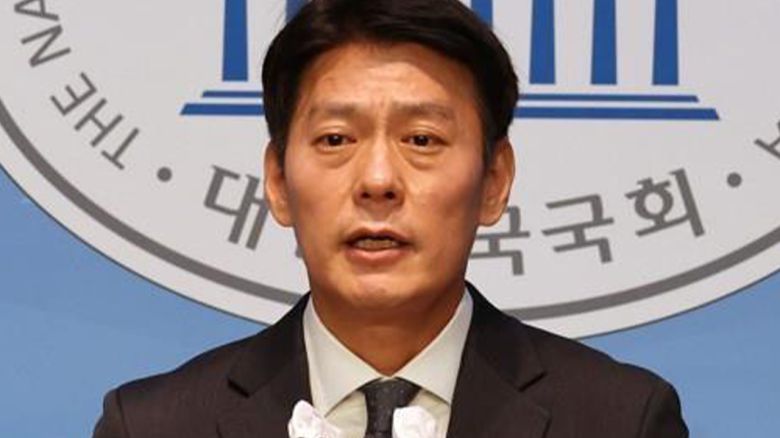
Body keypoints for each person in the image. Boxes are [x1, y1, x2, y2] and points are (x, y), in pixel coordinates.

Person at [93, 0, 688, 437]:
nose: (377, 181)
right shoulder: (154, 426)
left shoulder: (618, 419)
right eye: (335, 139)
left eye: (422, 139)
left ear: (494, 180)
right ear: (277, 181)